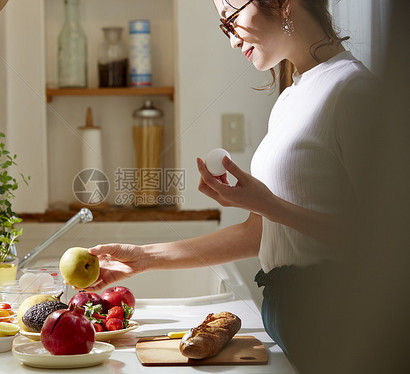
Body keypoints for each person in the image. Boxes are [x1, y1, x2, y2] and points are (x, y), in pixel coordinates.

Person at [84, 0, 378, 371]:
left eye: (232, 19)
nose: (232, 40)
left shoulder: (354, 90)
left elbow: (381, 241)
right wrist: (142, 258)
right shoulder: (293, 95)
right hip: (289, 313)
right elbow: (259, 233)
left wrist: (269, 204)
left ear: (284, 4)